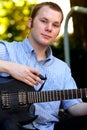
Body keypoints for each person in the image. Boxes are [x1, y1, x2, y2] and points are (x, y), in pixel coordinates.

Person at [0, 1, 87, 130]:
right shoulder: (7, 50)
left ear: (58, 31)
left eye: (55, 25)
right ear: (30, 22)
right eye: (44, 21)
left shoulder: (62, 69)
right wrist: (11, 68)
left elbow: (73, 107)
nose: (49, 28)